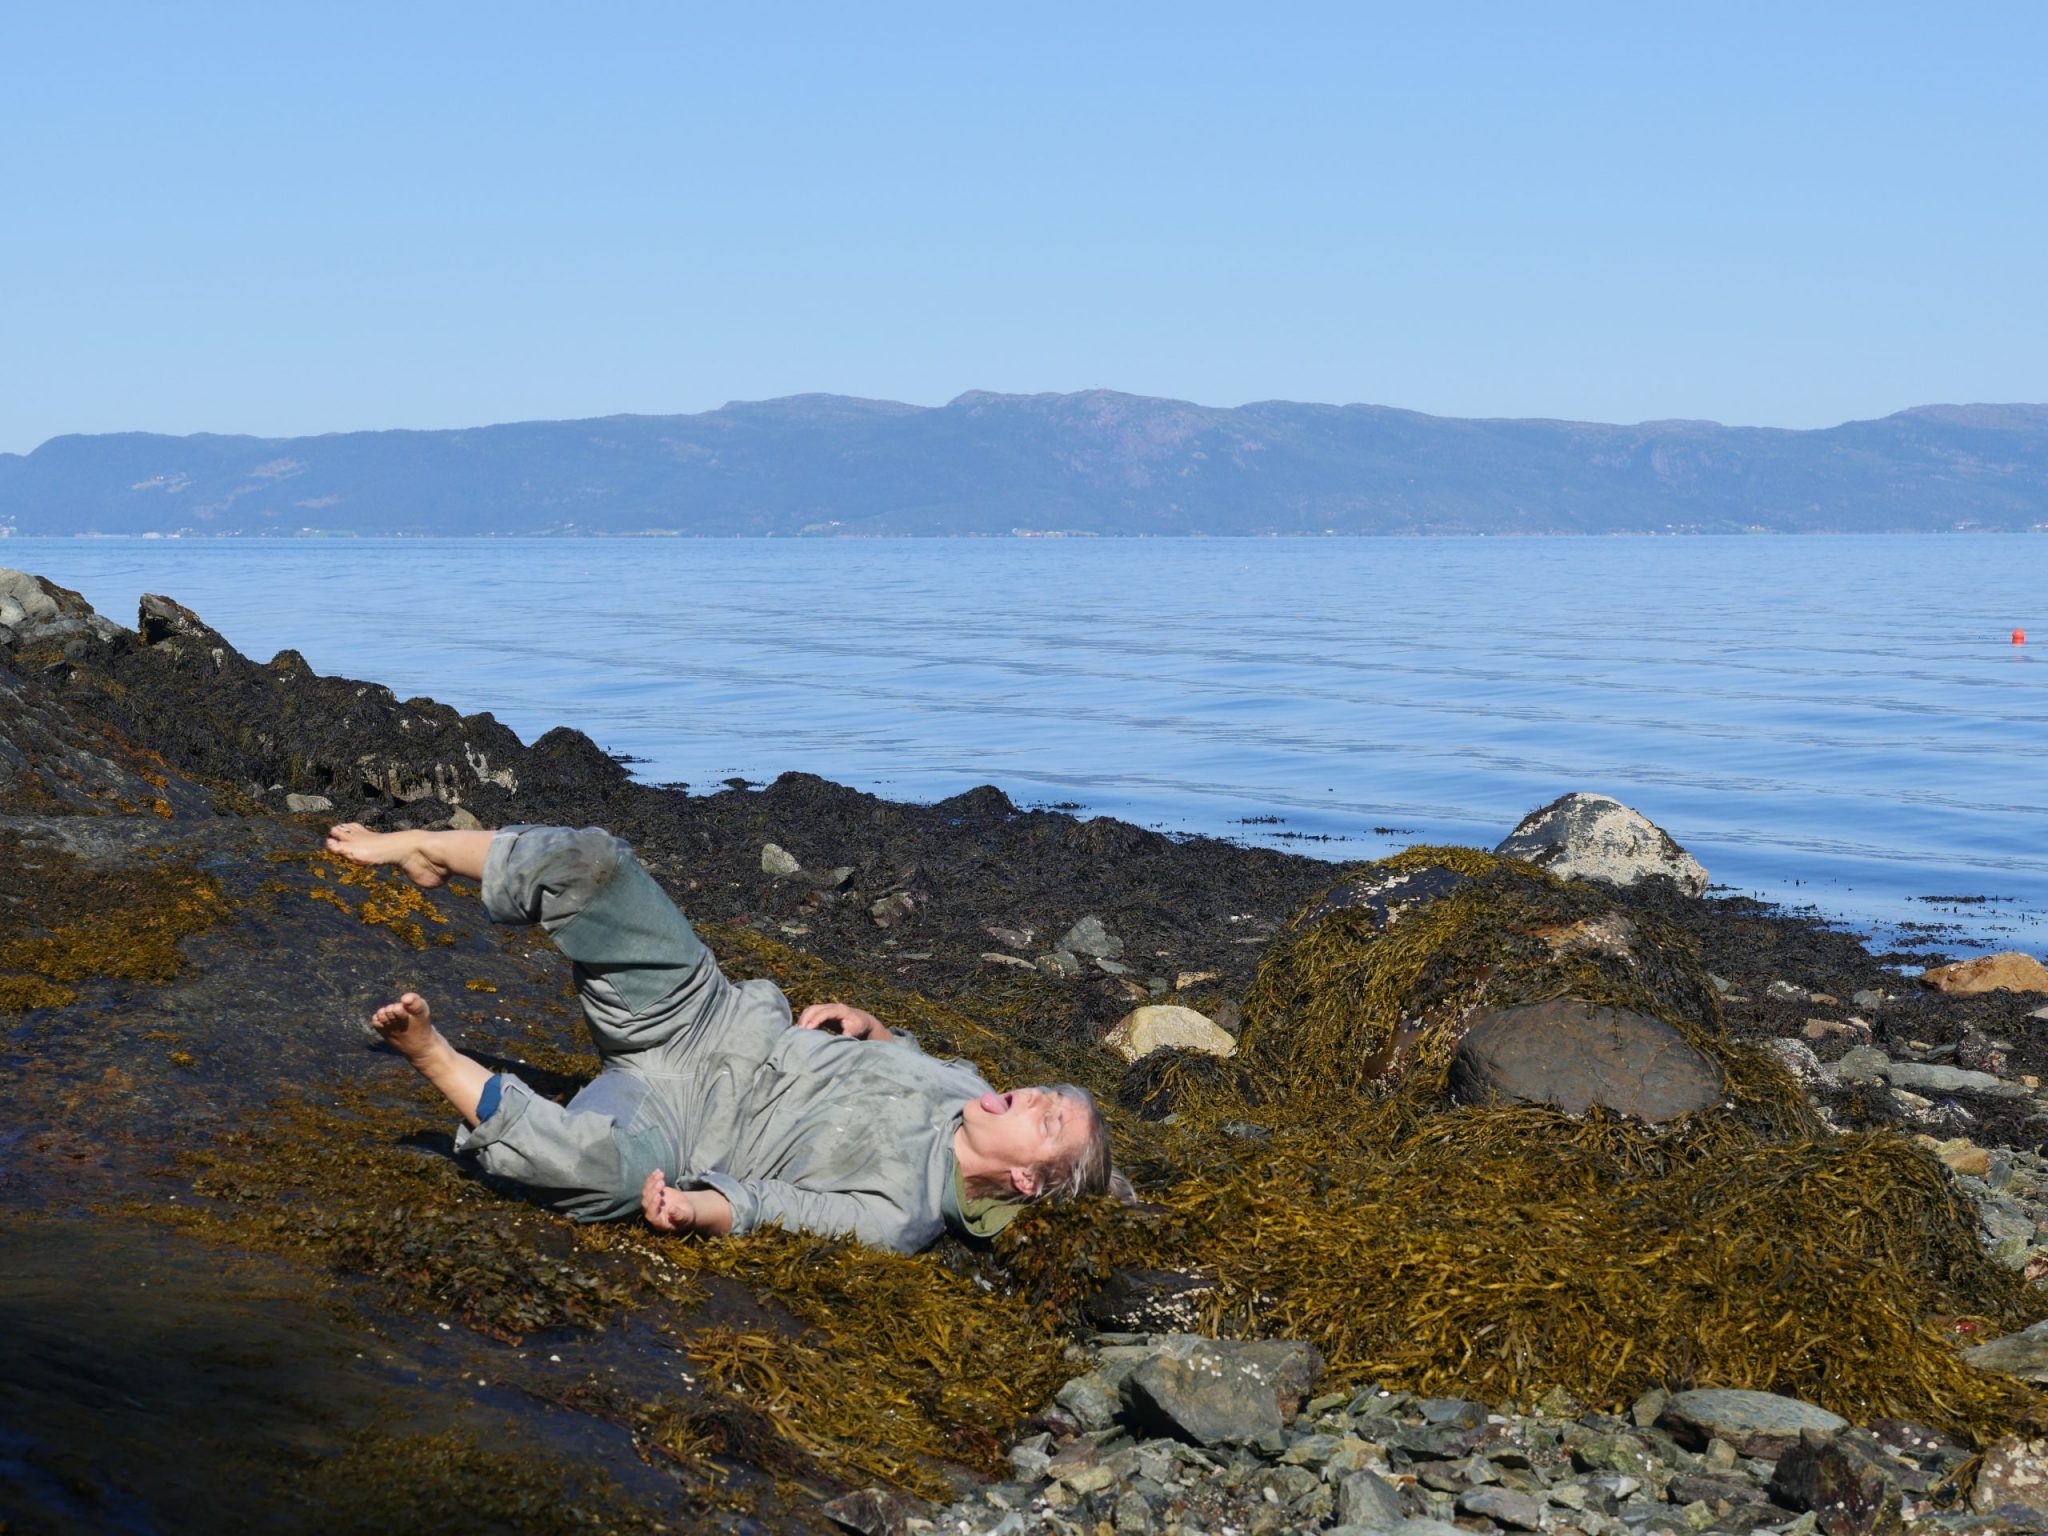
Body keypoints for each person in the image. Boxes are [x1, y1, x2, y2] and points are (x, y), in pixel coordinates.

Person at [326, 821, 1112, 1253]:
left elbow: (777, 1209)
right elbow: (895, 1046)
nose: (1037, 1095)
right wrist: (868, 1026)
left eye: (1048, 1120)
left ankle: (435, 1058)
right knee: (596, 863)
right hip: (708, 1012)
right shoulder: (969, 1088)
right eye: (1052, 1095)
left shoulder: (900, 1217)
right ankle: (424, 845)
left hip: (680, 1115)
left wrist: (696, 1210)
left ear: (1027, 1184)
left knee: (604, 1182)